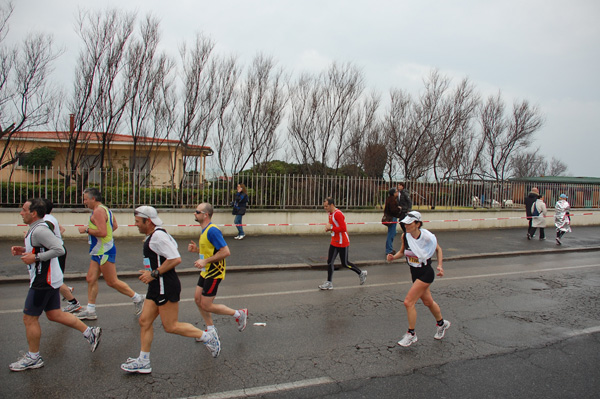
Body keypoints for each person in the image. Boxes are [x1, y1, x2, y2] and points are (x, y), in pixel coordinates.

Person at [121, 206, 220, 373]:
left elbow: (175, 259)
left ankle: (208, 337)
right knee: (144, 321)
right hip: (156, 285)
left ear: (148, 221)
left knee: (171, 326)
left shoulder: (158, 236)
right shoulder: (155, 234)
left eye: (138, 222)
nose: (135, 224)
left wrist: (153, 273)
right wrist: (151, 272)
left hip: (164, 286)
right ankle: (144, 361)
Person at [9, 198, 101, 371]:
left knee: (29, 318)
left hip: (43, 280)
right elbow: (42, 249)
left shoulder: (40, 230)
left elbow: (59, 249)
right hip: (50, 279)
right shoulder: (35, 228)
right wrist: (24, 251)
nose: (21, 213)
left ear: (33, 213)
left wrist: (35, 258)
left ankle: (33, 357)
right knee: (54, 314)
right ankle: (90, 332)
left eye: (23, 210)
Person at [76, 188, 145, 320]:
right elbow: (114, 226)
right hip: (99, 250)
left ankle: (137, 298)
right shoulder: (106, 209)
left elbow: (103, 233)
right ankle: (90, 310)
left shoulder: (98, 212)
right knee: (90, 278)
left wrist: (86, 229)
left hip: (104, 251)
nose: (84, 202)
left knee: (112, 281)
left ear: (93, 199)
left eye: (85, 199)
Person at [188, 202, 248, 352]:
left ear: (205, 215)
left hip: (214, 271)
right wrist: (197, 251)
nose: (194, 214)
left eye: (197, 211)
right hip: (206, 270)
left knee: (206, 305)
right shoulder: (204, 230)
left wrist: (205, 261)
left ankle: (239, 314)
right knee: (197, 299)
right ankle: (211, 330)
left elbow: (225, 251)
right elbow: (210, 251)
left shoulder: (212, 231)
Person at [386, 211, 450, 347]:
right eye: (405, 223)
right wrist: (393, 257)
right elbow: (402, 252)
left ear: (417, 224)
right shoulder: (406, 236)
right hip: (414, 273)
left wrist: (440, 266)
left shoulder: (427, 237)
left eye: (410, 223)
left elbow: (438, 249)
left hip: (426, 272)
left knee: (408, 302)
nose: (406, 225)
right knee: (428, 302)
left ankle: (411, 334)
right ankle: (441, 324)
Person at [41, 199, 83, 313]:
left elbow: (47, 235)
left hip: (56, 252)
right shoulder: (49, 218)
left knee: (54, 279)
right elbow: (61, 229)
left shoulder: (46, 221)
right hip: (58, 250)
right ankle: (66, 291)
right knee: (53, 278)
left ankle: (73, 302)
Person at [318, 197, 367, 290]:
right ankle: (329, 282)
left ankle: (361, 273)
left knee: (345, 263)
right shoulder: (330, 213)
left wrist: (331, 228)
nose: (325, 208)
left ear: (332, 205)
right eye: (324, 206)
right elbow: (332, 224)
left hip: (342, 242)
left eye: (326, 206)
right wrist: (328, 227)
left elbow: (343, 228)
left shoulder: (338, 214)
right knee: (330, 262)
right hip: (334, 241)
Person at [384, 188, 402, 255]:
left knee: (392, 233)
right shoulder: (392, 201)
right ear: (394, 193)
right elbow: (393, 210)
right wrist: (398, 209)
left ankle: (389, 248)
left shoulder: (389, 199)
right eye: (397, 192)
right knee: (391, 233)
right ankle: (389, 250)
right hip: (392, 218)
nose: (397, 193)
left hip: (390, 218)